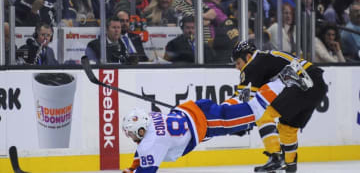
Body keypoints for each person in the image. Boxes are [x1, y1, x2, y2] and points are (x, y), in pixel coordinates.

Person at [121, 61, 309, 172]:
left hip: (204, 122)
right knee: (227, 114)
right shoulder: (151, 119)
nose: (131, 137)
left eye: (131, 133)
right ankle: (238, 101)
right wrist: (131, 168)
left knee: (254, 113)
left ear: (141, 129)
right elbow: (143, 152)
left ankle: (285, 78)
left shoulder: (150, 144)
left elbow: (146, 161)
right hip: (195, 110)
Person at [231, 41, 328, 172]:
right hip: (318, 84)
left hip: (302, 81)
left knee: (262, 113)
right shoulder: (266, 59)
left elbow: (243, 98)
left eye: (238, 62)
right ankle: (290, 167)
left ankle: (275, 157)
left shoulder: (254, 63)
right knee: (287, 128)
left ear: (248, 56)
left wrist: (235, 121)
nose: (237, 67)